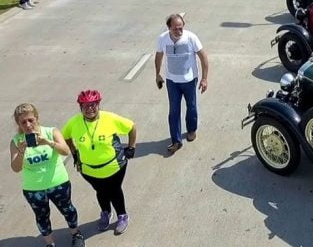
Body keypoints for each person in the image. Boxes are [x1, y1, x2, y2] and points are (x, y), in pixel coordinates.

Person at [10, 103, 86, 247]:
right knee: (42, 217)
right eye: (23, 122)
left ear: (36, 118)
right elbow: (15, 168)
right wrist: (20, 152)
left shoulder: (51, 132)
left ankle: (76, 234)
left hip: (58, 183)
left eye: (30, 120)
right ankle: (50, 243)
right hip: (33, 189)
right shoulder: (16, 142)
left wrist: (48, 142)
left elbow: (65, 151)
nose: (28, 125)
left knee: (68, 209)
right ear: (18, 123)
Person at [63, 90, 137, 235]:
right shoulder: (74, 122)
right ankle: (106, 213)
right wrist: (75, 153)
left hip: (114, 166)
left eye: (93, 105)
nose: (89, 109)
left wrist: (131, 147)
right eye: (85, 106)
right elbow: (65, 136)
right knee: (101, 192)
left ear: (98, 104)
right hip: (89, 170)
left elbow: (132, 127)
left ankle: (122, 216)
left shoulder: (109, 118)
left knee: (114, 190)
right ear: (80, 107)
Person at [155, 14, 209, 153]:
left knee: (191, 106)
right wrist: (158, 74)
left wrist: (204, 79)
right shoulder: (163, 39)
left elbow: (203, 57)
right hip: (172, 81)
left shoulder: (191, 37)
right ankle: (176, 141)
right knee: (174, 111)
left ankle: (191, 130)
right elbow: (159, 55)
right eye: (176, 29)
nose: (179, 31)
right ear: (169, 28)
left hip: (189, 80)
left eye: (181, 28)